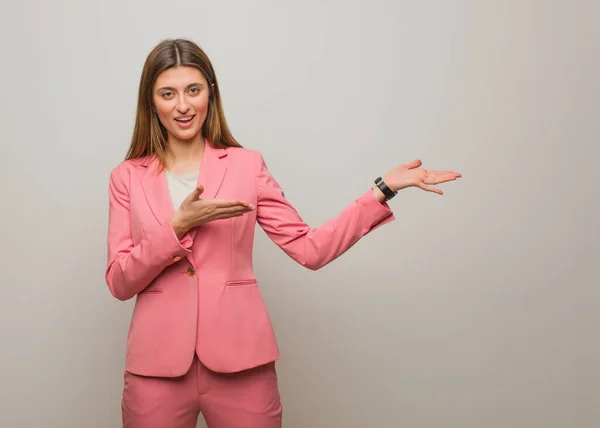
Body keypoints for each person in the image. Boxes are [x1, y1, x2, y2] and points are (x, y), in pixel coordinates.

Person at [105, 38, 461, 428]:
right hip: (155, 367)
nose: (183, 105)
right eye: (168, 94)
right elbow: (120, 282)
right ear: (151, 102)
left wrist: (383, 189)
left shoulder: (246, 165)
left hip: (242, 362)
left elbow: (311, 249)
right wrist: (177, 226)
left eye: (193, 90)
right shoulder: (127, 177)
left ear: (211, 91)